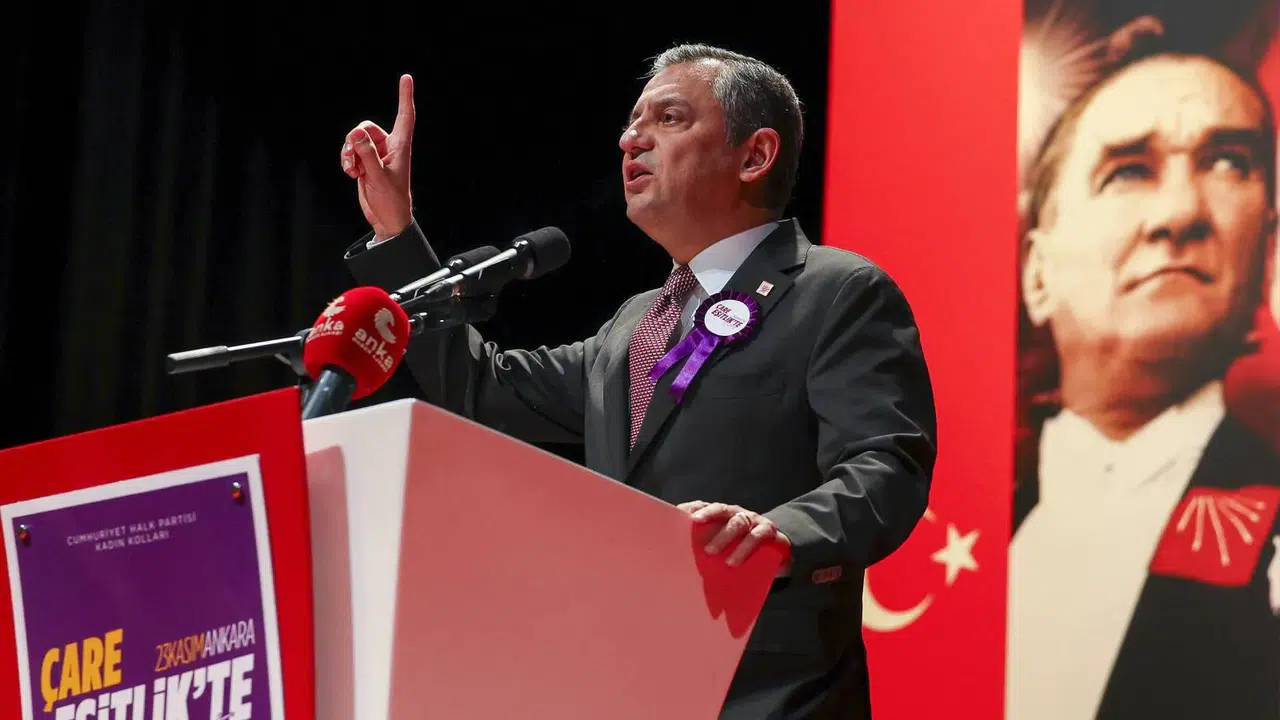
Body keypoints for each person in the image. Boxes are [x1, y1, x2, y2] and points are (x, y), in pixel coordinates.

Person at [337, 44, 937, 719]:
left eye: (669, 118)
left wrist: (777, 534)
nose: (631, 139)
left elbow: (886, 469)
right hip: (626, 687)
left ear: (755, 155)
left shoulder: (836, 291)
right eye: (631, 122)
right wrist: (397, 232)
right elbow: (479, 387)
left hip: (771, 694)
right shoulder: (634, 324)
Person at [1010, 39, 1280, 720]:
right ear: (1038, 273)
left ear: (1269, 250)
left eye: (1229, 162)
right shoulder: (917, 525)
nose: (1180, 214)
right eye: (1128, 171)